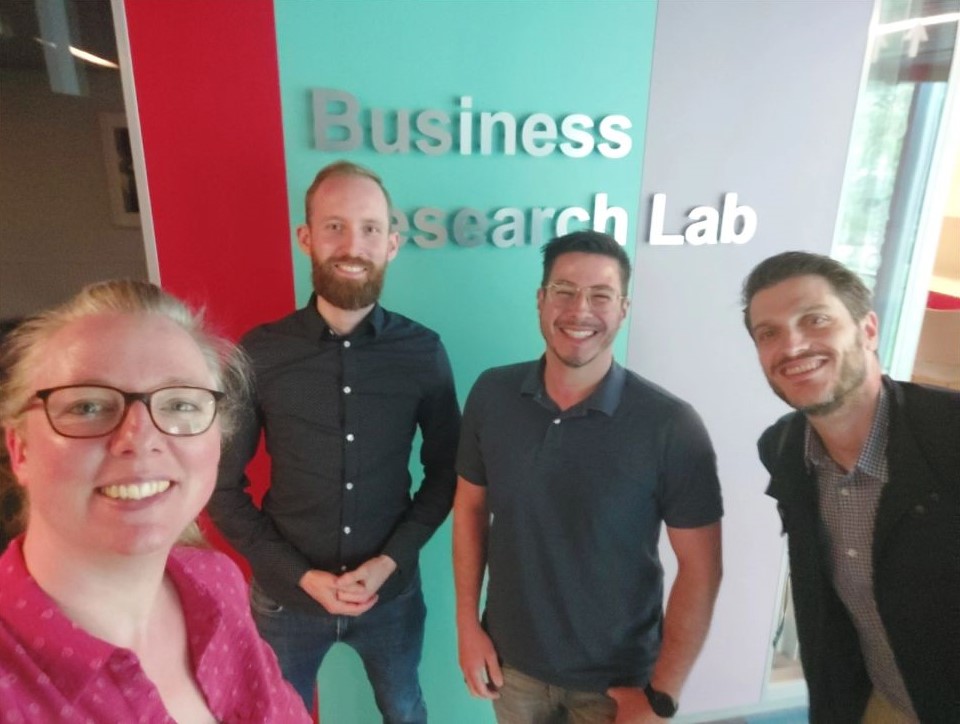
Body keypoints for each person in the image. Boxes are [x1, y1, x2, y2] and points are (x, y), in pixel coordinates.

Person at [209, 161, 460, 721]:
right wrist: (297, 574)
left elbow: (447, 473)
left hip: (391, 594)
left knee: (404, 709)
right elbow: (220, 487)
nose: (353, 245)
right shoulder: (260, 352)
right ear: (306, 238)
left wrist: (390, 562)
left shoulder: (423, 352)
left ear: (392, 244)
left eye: (370, 228)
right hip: (285, 597)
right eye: (334, 227)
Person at [0, 280, 310, 722]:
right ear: (20, 450)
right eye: (87, 407)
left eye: (180, 404)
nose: (141, 438)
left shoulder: (216, 582)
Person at [454, 230, 723, 723]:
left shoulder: (671, 425)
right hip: (512, 667)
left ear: (623, 309)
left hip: (618, 683)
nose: (580, 310)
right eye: (565, 291)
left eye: (601, 295)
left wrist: (662, 697)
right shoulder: (492, 394)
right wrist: (468, 627)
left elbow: (701, 570)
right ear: (541, 299)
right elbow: (470, 509)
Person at [742, 251, 959, 724]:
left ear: (868, 330)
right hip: (878, 702)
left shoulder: (949, 434)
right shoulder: (783, 450)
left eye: (816, 320)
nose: (792, 346)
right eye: (769, 333)